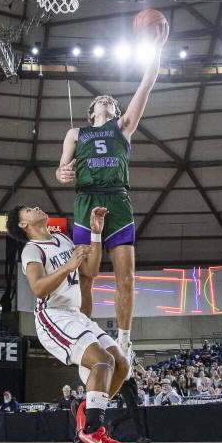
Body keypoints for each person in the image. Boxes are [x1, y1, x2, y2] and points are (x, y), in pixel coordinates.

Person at [55, 21, 169, 369]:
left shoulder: (124, 127)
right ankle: (86, 340)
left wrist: (157, 47)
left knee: (126, 277)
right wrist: (63, 172)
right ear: (92, 112)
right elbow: (61, 171)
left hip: (117, 200)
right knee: (85, 277)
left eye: (110, 100)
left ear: (116, 112)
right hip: (86, 201)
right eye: (100, 100)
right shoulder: (76, 132)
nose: (105, 99)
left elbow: (147, 84)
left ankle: (124, 340)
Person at [9, 203, 133, 443]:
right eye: (28, 210)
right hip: (52, 315)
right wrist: (68, 266)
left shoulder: (61, 239)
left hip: (75, 315)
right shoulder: (31, 250)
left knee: (121, 365)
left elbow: (91, 270)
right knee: (102, 361)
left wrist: (96, 234)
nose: (35, 207)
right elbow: (38, 288)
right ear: (23, 224)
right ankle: (92, 431)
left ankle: (87, 414)